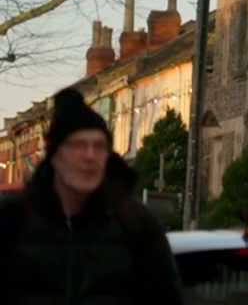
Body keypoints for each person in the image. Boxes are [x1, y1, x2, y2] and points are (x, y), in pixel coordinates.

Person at [0, 87, 184, 305]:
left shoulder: (136, 225)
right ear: (55, 155)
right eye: (78, 145)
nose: (90, 156)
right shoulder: (13, 219)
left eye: (99, 146)